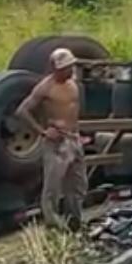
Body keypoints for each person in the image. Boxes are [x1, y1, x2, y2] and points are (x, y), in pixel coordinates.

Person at [16, 48, 86, 231]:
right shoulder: (45, 87)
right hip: (57, 142)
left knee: (78, 184)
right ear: (55, 69)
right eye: (65, 68)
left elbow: (74, 108)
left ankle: (75, 222)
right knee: (53, 187)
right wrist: (43, 132)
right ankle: (53, 224)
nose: (69, 71)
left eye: (71, 67)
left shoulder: (74, 83)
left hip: (74, 139)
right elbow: (22, 111)